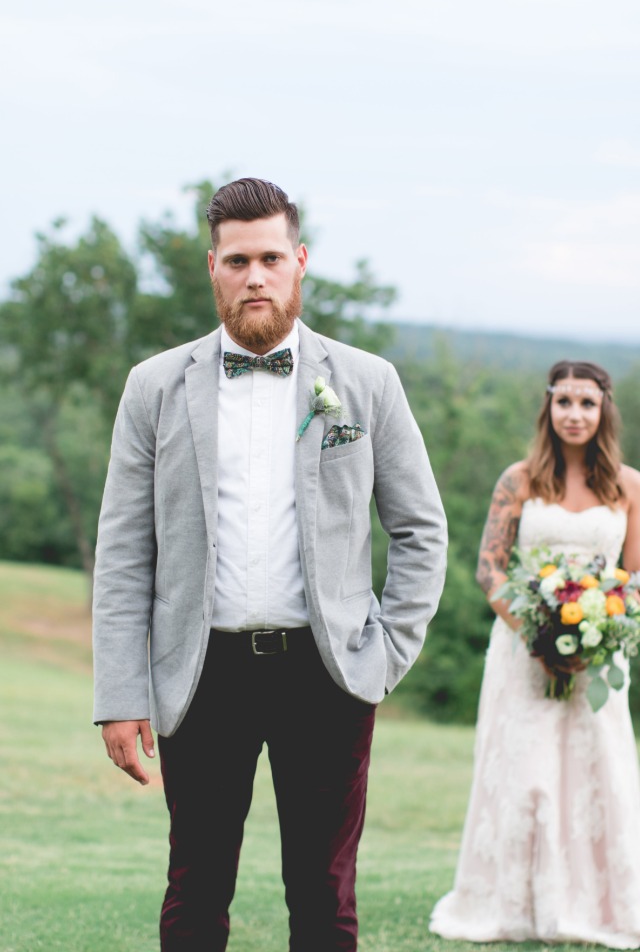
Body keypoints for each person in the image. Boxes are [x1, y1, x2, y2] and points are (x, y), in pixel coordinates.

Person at [92, 177, 447, 952]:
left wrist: (384, 654)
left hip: (327, 672)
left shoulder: (366, 382)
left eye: (271, 258)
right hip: (200, 672)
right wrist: (119, 694)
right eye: (238, 260)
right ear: (212, 267)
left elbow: (420, 530)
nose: (256, 276)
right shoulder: (153, 387)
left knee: (324, 893)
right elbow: (122, 553)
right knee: (195, 888)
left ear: (300, 263)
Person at [430, 359, 640, 948]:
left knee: (597, 771)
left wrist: (601, 628)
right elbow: (490, 568)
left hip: (599, 657)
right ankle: (513, 905)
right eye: (565, 402)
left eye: (587, 403)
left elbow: (634, 575)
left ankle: (596, 904)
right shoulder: (519, 479)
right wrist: (538, 634)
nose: (575, 414)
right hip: (522, 651)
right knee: (526, 775)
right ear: (548, 408)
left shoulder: (628, 485)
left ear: (604, 412)